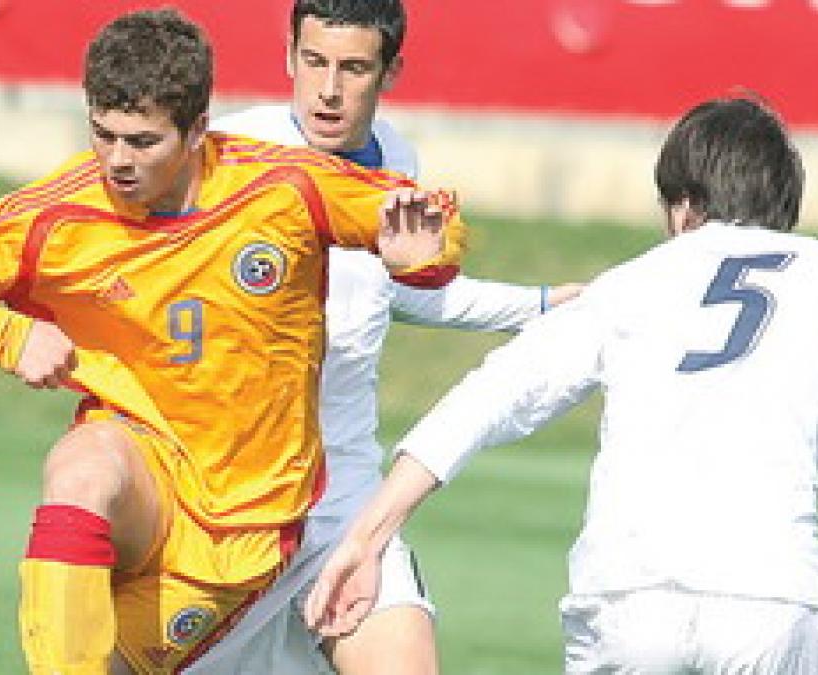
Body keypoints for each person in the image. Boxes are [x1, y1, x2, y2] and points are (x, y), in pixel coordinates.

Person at [0, 8, 466, 675]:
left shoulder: (283, 187)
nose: (117, 161)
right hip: (150, 491)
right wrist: (6, 331)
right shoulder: (61, 215)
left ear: (199, 128)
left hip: (257, 518)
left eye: (142, 142)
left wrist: (423, 255)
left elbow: (419, 217)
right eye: (103, 135)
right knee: (83, 464)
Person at [305, 95, 818, 675]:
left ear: (685, 205)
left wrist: (366, 538)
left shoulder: (631, 282)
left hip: (625, 598)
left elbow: (486, 400)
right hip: (774, 601)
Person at [193, 1, 580, 673]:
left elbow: (392, 288)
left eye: (353, 68)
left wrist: (541, 304)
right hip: (229, 506)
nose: (329, 89)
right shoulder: (227, 157)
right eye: (314, 62)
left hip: (345, 498)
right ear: (288, 55)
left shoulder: (397, 161)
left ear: (390, 70)